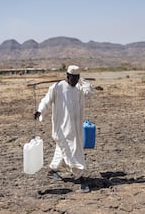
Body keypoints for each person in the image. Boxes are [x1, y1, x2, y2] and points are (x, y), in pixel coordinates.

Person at [34, 65, 92, 193]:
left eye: (77, 78)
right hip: (62, 128)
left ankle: (52, 170)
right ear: (67, 76)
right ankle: (81, 178)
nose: (75, 81)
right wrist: (40, 111)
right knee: (72, 151)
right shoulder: (57, 87)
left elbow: (88, 91)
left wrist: (83, 81)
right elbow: (46, 100)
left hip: (75, 127)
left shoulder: (78, 88)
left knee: (62, 149)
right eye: (73, 78)